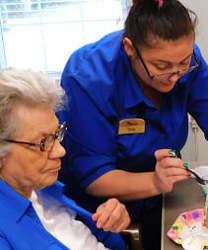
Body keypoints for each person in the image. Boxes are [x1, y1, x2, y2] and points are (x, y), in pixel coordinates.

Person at [57, 0, 208, 249]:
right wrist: (154, 182)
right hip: (103, 211)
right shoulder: (87, 78)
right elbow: (95, 176)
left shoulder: (183, 61)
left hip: (164, 197)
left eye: (183, 63)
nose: (175, 76)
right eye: (161, 67)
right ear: (130, 48)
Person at [0, 68, 130, 250]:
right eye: (43, 142)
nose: (60, 151)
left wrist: (111, 219)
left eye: (57, 134)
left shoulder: (44, 189)